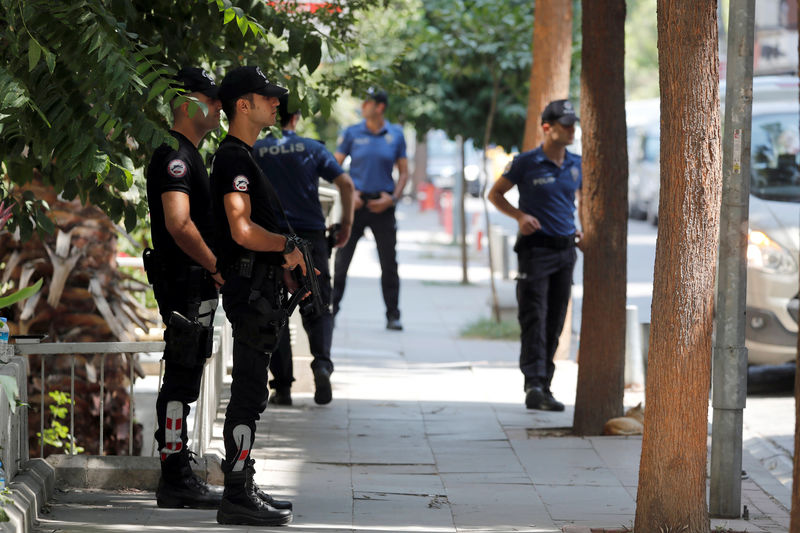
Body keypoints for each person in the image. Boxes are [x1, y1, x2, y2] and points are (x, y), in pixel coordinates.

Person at [210, 65, 303, 526]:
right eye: (266, 97)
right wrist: (285, 248)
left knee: (253, 393)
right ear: (242, 105)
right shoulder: (232, 159)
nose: (275, 103)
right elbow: (242, 230)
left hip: (259, 292)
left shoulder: (244, 156)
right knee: (248, 393)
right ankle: (236, 494)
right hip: (250, 294)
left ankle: (242, 483)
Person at [145, 67, 225, 509]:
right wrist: (215, 265)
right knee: (179, 381)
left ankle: (178, 469)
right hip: (186, 288)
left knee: (186, 378)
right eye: (210, 99)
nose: (217, 108)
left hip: (194, 288)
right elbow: (178, 224)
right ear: (188, 101)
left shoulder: (190, 153)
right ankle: (175, 475)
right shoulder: (175, 154)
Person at [253, 94, 354, 406]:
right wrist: (346, 224)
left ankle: (282, 387)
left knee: (275, 310)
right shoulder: (312, 148)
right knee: (319, 304)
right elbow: (346, 184)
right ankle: (322, 364)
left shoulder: (255, 150)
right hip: (310, 237)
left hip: (271, 239)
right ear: (294, 118)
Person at [487, 99, 584, 412]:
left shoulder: (576, 164)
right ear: (547, 128)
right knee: (535, 317)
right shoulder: (526, 162)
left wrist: (580, 230)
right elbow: (495, 194)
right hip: (535, 251)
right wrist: (519, 216)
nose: (572, 130)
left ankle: (546, 384)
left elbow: (581, 201)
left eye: (573, 125)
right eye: (565, 125)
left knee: (555, 320)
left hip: (565, 251)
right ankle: (534, 384)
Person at [332, 88, 408, 331]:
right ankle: (331, 311)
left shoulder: (395, 134)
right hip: (356, 205)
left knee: (389, 264)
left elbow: (404, 172)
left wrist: (393, 199)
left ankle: (393, 315)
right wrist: (349, 193)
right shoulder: (352, 132)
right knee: (342, 261)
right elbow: (334, 166)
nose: (363, 105)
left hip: (383, 206)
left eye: (368, 102)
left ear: (380, 107)